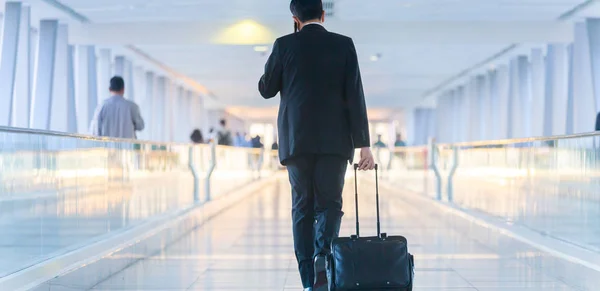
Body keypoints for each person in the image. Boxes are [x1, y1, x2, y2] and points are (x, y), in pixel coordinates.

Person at [258, 1, 375, 290]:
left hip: (296, 141)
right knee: (330, 203)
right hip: (336, 142)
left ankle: (308, 279)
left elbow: (266, 89)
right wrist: (364, 145)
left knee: (302, 207)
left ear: (295, 18)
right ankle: (324, 255)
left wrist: (281, 53)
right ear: (323, 15)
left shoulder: (284, 45)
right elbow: (355, 96)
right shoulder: (344, 45)